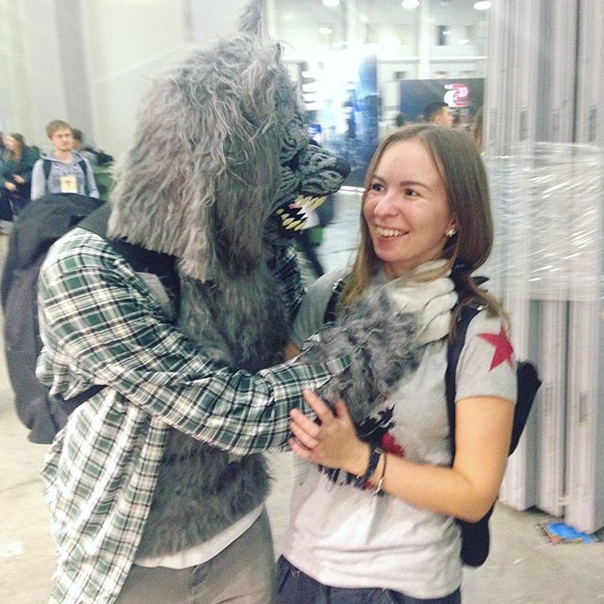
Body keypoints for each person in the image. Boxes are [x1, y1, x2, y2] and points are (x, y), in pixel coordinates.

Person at [36, 4, 353, 601]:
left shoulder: (250, 242)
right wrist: (365, 350)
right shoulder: (86, 268)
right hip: (127, 547)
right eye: (278, 160)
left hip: (239, 529)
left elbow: (287, 343)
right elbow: (231, 412)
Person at [277, 124, 517, 603]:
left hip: (402, 581)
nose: (383, 208)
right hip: (302, 566)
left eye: (411, 192)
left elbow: (474, 494)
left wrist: (356, 458)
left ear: (455, 217)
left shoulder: (475, 329)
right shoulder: (331, 296)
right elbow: (286, 404)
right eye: (378, 187)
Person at [30, 119, 99, 200]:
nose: (65, 140)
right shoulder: (42, 165)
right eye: (59, 136)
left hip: (81, 206)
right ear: (51, 140)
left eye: (67, 135)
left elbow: (93, 190)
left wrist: (91, 201)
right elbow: (37, 196)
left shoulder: (83, 162)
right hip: (55, 207)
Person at [0, 132, 40, 217]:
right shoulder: (7, 155)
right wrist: (5, 183)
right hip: (14, 192)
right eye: (7, 140)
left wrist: (25, 178)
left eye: (11, 141)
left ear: (18, 142)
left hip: (29, 191)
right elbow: (2, 172)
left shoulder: (31, 155)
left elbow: (36, 171)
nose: (7, 143)